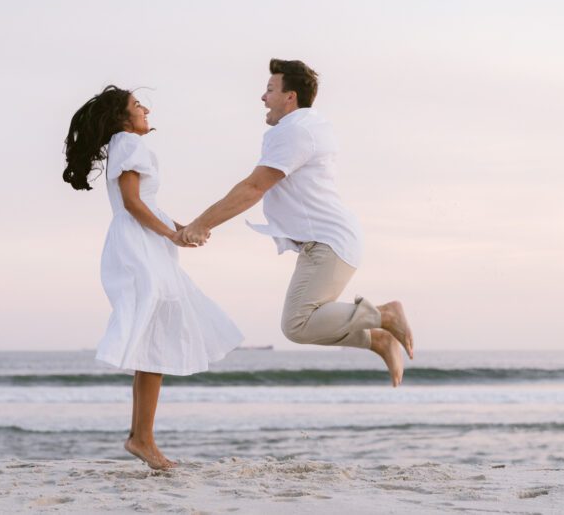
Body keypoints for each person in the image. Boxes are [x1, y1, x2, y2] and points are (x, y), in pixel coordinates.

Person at [181, 60, 413, 386]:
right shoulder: (307, 126)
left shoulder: (296, 131)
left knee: (297, 324)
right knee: (303, 325)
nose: (263, 98)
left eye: (270, 90)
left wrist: (201, 224)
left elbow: (254, 187)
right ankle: (377, 338)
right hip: (331, 241)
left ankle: (384, 318)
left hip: (328, 242)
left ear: (290, 97)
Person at [63, 86, 243, 470]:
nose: (146, 109)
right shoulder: (129, 143)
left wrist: (182, 229)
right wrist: (170, 234)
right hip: (139, 245)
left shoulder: (124, 144)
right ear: (123, 118)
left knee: (156, 337)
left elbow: (149, 205)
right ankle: (141, 438)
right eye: (137, 105)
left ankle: (141, 438)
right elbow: (132, 203)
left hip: (142, 242)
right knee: (154, 333)